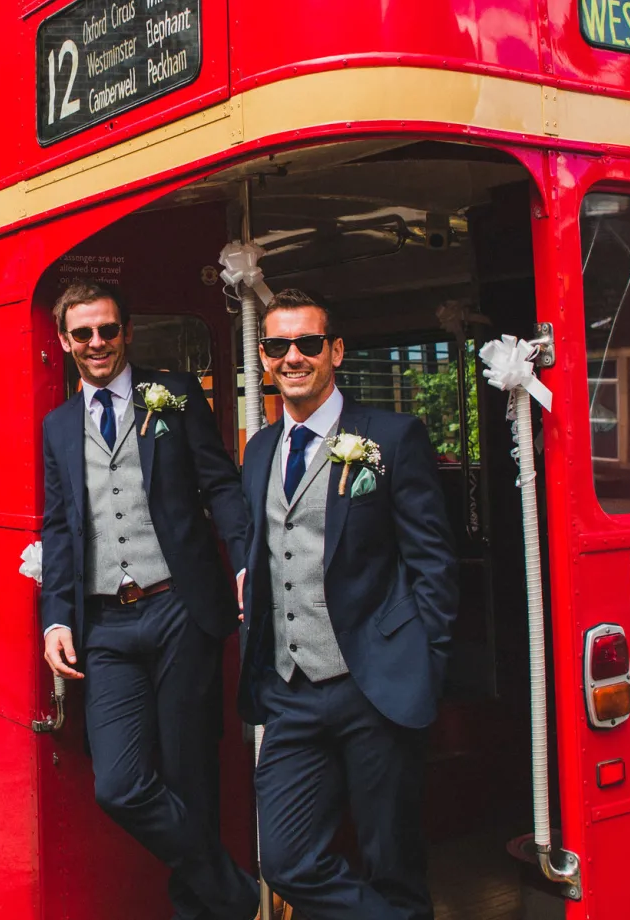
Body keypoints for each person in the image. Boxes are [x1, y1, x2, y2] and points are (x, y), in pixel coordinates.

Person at [38, 280, 259, 920]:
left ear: (127, 331)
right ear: (65, 342)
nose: (97, 342)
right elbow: (60, 526)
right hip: (104, 624)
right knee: (121, 785)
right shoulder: (58, 426)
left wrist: (244, 563)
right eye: (83, 333)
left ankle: (202, 912)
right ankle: (236, 893)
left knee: (192, 776)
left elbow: (220, 487)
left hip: (178, 610)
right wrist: (56, 614)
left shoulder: (176, 394)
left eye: (108, 329)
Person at [237, 289, 458, 920]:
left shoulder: (390, 436)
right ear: (264, 356)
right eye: (279, 346)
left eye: (308, 343)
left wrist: (425, 663)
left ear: (335, 350)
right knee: (284, 860)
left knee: (393, 862)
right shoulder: (259, 451)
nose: (294, 357)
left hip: (374, 687)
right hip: (289, 691)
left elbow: (432, 563)